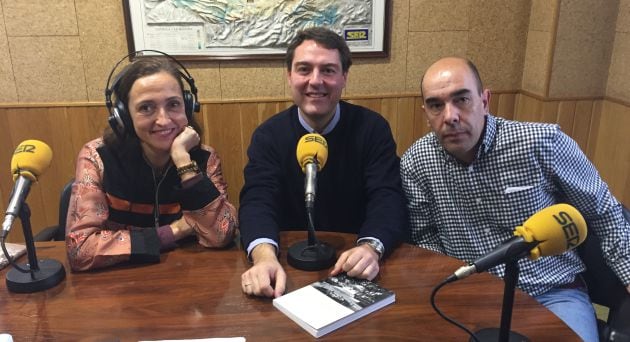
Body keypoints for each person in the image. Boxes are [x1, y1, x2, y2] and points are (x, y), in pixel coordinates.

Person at [401, 56, 630, 341]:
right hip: (469, 298)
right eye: (437, 105)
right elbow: (425, 237)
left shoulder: (541, 143)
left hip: (551, 294)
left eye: (461, 99)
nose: (450, 116)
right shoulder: (416, 162)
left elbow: (604, 212)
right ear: (426, 112)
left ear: (485, 101)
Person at [239, 27, 407, 298]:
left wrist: (370, 248)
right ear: (290, 76)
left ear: (344, 78)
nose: (315, 81)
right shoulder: (269, 135)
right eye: (304, 69)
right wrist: (263, 257)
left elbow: (387, 197)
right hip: (287, 271)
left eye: (328, 70)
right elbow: (257, 199)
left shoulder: (372, 129)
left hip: (355, 270)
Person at [66, 55, 237, 271]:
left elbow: (221, 235)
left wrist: (183, 161)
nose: (164, 120)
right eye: (146, 108)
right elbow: (80, 249)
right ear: (123, 116)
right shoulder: (98, 157)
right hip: (119, 285)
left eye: (173, 104)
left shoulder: (204, 158)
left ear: (188, 105)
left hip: (188, 277)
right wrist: (173, 232)